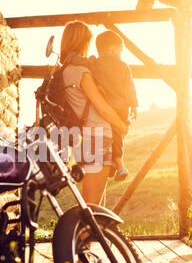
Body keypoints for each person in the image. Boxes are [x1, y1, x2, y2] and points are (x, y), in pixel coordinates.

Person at [59, 21, 128, 206]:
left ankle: (94, 235)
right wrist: (121, 125)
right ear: (82, 42)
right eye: (88, 42)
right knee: (91, 207)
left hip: (86, 138)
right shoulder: (81, 72)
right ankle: (79, 236)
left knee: (97, 205)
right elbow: (102, 106)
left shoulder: (66, 70)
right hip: (98, 136)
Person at [70, 30, 139, 182]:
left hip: (106, 106)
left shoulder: (95, 63)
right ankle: (118, 163)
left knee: (111, 133)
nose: (121, 54)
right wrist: (134, 105)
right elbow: (130, 87)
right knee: (117, 134)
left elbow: (78, 60)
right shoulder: (123, 66)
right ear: (114, 49)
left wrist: (68, 57)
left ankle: (116, 164)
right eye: (120, 50)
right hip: (122, 107)